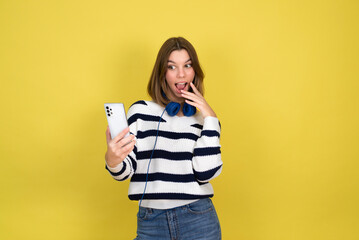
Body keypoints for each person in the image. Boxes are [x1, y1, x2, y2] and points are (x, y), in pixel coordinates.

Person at [105, 37, 223, 240]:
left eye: (187, 65)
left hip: (199, 220)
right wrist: (112, 159)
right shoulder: (141, 111)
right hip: (151, 222)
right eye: (172, 67)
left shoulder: (204, 120)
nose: (181, 74)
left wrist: (211, 118)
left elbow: (206, 173)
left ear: (195, 71)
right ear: (162, 73)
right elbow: (124, 172)